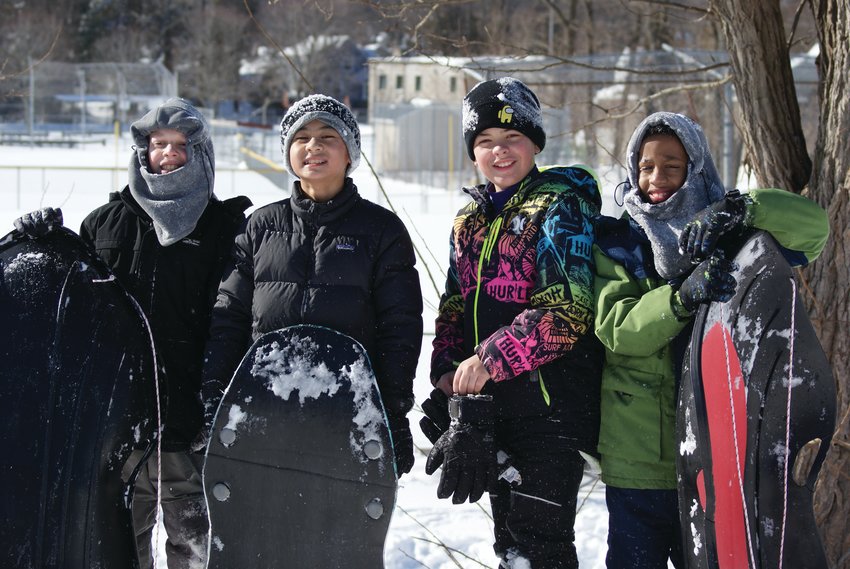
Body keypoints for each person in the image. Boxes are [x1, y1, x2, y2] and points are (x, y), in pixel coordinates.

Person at [14, 97, 251, 569]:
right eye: (157, 144)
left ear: (200, 153)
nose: (166, 154)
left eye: (179, 145)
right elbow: (73, 303)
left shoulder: (226, 229)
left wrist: (217, 400)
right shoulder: (105, 224)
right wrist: (40, 242)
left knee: (196, 543)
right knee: (122, 542)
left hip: (193, 420)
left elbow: (238, 319)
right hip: (120, 422)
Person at [593, 111, 829, 569]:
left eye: (672, 165)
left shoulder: (728, 232)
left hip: (718, 453)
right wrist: (680, 298)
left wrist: (742, 208)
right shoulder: (617, 240)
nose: (656, 178)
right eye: (645, 166)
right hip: (638, 459)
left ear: (695, 168)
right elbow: (617, 329)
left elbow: (814, 231)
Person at [423, 77, 603, 569]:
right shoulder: (469, 220)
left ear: (534, 144)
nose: (498, 152)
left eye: (512, 139)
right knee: (509, 546)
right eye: (485, 142)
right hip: (492, 409)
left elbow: (566, 311)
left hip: (551, 409)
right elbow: (454, 302)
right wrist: (447, 374)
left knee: (540, 545)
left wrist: (486, 360)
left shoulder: (559, 206)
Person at [201, 94, 423, 478]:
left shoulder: (381, 230)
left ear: (350, 153)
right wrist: (215, 396)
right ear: (288, 152)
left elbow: (399, 328)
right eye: (301, 137)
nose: (313, 146)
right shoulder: (259, 227)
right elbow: (230, 317)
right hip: (264, 410)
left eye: (327, 137)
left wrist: (392, 412)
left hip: (349, 414)